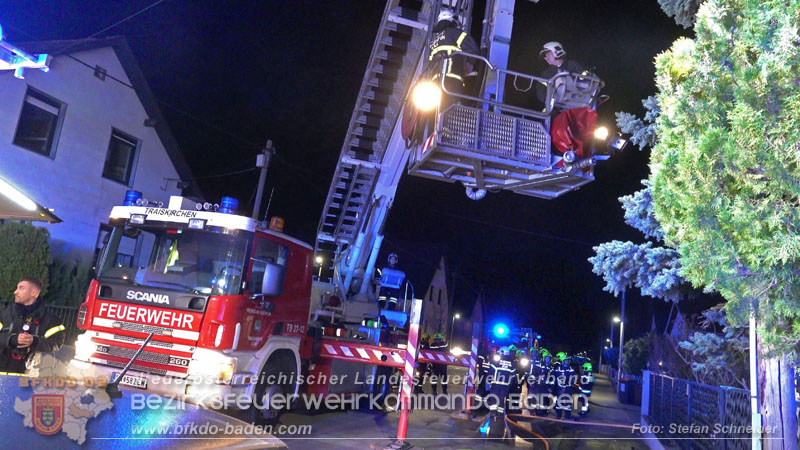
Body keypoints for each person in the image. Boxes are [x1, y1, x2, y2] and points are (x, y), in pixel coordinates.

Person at [0, 278, 66, 376]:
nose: (15, 292)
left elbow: (56, 342)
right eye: (17, 288)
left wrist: (34, 341)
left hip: (28, 377)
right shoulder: (4, 313)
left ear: (34, 293)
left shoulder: (51, 320)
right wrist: (11, 339)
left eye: (21, 288)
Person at [427, 9, 480, 109]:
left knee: (438, 113)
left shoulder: (433, 42)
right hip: (453, 80)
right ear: (452, 20)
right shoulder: (454, 33)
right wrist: (469, 64)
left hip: (435, 83)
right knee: (454, 109)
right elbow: (473, 48)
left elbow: (430, 64)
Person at [535, 41, 588, 108]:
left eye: (547, 54)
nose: (546, 58)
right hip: (557, 108)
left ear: (556, 52)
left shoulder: (572, 65)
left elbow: (588, 81)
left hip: (578, 103)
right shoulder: (546, 74)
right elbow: (541, 94)